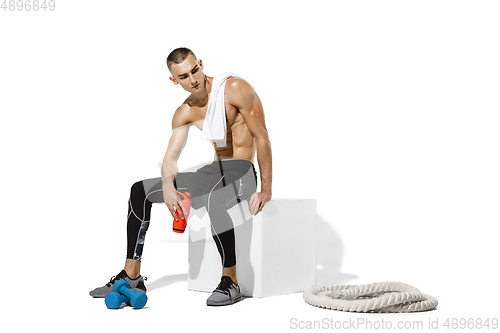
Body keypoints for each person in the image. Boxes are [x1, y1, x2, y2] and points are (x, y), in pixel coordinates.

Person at [89, 47, 272, 306]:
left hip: (242, 171)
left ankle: (231, 280)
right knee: (139, 191)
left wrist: (266, 189)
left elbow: (262, 136)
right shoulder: (184, 111)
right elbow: (171, 157)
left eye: (195, 70)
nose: (193, 79)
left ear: (201, 63)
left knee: (213, 196)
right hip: (215, 170)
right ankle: (131, 275)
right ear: (174, 80)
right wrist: (167, 186)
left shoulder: (234, 88)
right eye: (184, 76)